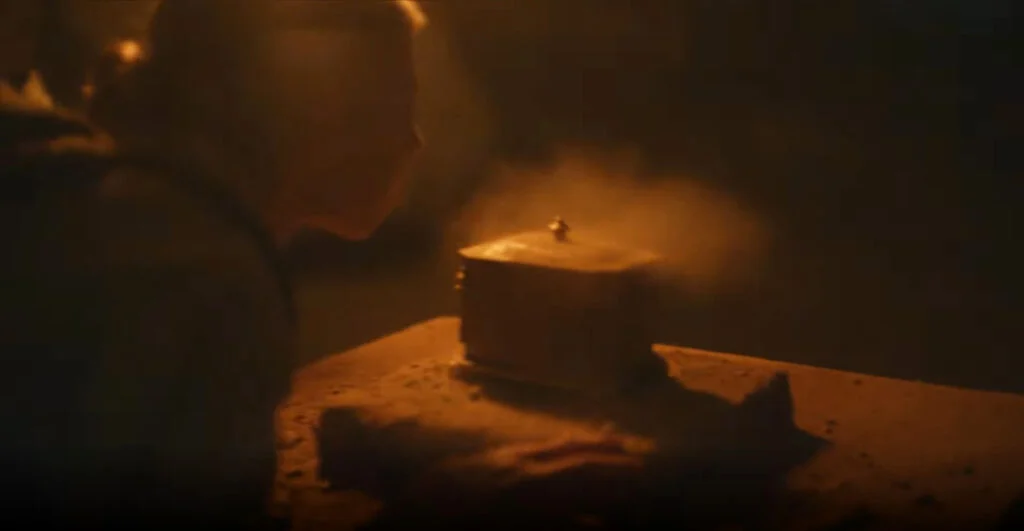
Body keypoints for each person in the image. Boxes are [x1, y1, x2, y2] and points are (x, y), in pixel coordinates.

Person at [0, 0, 426, 528]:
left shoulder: (111, 201)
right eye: (398, 107)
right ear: (319, 112)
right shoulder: (209, 281)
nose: (415, 142)